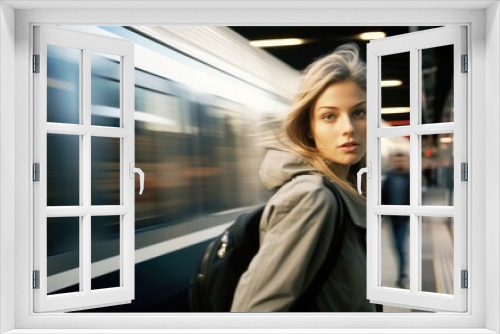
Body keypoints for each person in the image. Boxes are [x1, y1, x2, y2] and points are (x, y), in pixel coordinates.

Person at [230, 44, 376, 312]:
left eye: (359, 113)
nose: (348, 129)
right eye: (329, 116)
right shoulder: (313, 198)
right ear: (309, 129)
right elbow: (252, 313)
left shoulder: (344, 188)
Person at [381, 152, 410, 289]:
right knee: (395, 246)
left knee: (400, 246)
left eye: (401, 160)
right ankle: (401, 275)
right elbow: (383, 197)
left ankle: (402, 276)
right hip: (391, 218)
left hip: (404, 219)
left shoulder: (410, 178)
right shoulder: (389, 177)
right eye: (396, 161)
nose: (399, 163)